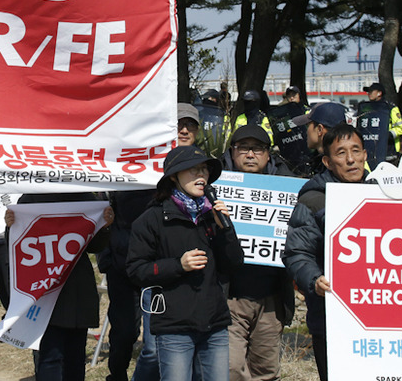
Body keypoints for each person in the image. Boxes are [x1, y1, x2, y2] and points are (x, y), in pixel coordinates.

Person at [127, 145, 243, 381]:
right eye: (192, 170)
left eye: (204, 170)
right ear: (173, 176)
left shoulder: (213, 216)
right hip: (174, 326)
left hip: (215, 323)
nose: (201, 176)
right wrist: (178, 265)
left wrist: (225, 232)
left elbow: (233, 264)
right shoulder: (152, 219)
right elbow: (136, 270)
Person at [103, 102, 200, 381]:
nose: (183, 130)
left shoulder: (198, 170)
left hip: (167, 270)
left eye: (190, 126)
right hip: (125, 265)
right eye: (178, 125)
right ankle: (117, 376)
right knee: (124, 331)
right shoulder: (131, 163)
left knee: (156, 343)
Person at [283, 124, 371, 381]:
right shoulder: (313, 199)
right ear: (328, 161)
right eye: (341, 153)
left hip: (381, 322)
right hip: (332, 321)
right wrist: (314, 280)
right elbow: (297, 254)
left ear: (365, 154)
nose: (351, 159)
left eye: (356, 151)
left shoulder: (386, 195)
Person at [5, 192, 113, 381]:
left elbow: (95, 246)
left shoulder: (85, 197)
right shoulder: (30, 199)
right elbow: (17, 246)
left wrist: (105, 226)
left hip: (77, 289)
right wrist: (11, 226)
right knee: (50, 356)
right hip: (43, 290)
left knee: (75, 358)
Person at [222, 126, 295, 381]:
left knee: (265, 370)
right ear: (232, 152)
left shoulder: (289, 187)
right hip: (228, 296)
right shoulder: (214, 185)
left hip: (271, 298)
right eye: (243, 148)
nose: (250, 154)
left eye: (258, 149)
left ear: (268, 155)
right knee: (230, 369)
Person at [356, 82, 402, 160]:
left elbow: (400, 128)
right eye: (368, 92)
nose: (369, 94)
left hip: (388, 149)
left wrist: (387, 135)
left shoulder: (390, 108)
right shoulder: (366, 108)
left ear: (379, 93)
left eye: (371, 91)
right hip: (370, 149)